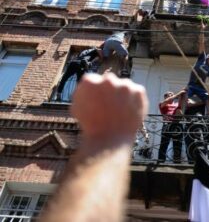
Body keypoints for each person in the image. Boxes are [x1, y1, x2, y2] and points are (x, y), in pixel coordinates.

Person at [40, 73, 148, 222]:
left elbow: (142, 127)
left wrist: (104, 137)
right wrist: (115, 136)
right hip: (124, 141)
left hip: (124, 140)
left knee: (131, 150)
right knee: (130, 151)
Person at [185, 21, 209, 115]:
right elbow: (201, 43)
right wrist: (202, 29)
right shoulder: (202, 58)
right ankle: (183, 112)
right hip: (191, 84)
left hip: (201, 87)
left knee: (207, 98)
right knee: (186, 98)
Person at [158, 90, 186, 163]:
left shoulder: (176, 104)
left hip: (177, 125)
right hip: (167, 124)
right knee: (164, 144)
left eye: (172, 94)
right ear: (165, 97)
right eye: (169, 94)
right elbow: (168, 100)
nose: (171, 95)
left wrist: (181, 97)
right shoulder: (162, 103)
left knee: (177, 144)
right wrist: (178, 93)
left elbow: (180, 107)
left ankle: (177, 162)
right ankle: (160, 161)